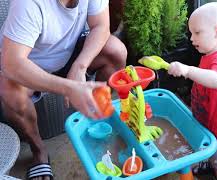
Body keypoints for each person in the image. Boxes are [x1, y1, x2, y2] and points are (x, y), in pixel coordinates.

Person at [0, 0, 127, 179]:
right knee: (8, 90)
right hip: (31, 64)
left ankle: (95, 122)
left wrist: (80, 66)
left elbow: (100, 25)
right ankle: (39, 152)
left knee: (116, 51)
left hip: (69, 51)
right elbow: (12, 63)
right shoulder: (28, 4)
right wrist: (69, 88)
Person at [168, 2, 217, 180]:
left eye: (197, 33)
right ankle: (207, 167)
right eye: (192, 33)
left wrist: (188, 70)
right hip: (206, 119)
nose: (192, 38)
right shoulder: (208, 55)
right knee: (206, 150)